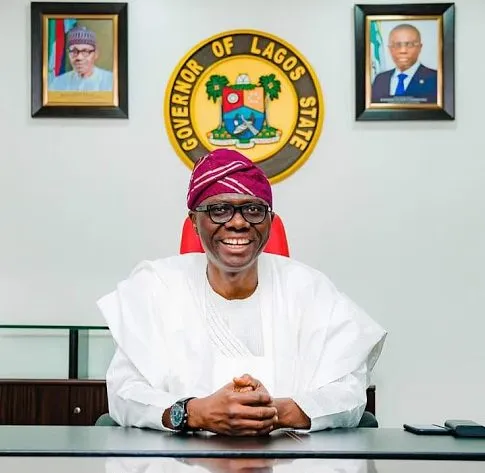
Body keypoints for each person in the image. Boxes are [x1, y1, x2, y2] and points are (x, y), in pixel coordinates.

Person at [97, 148, 387, 435]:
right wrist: (195, 413)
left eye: (253, 210)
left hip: (290, 456)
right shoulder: (155, 287)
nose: (238, 222)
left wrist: (276, 412)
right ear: (194, 221)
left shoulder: (310, 289)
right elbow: (124, 393)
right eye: (219, 210)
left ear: (270, 221)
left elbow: (349, 392)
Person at [371, 23, 437, 104]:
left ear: (420, 47)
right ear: (389, 48)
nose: (403, 51)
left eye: (409, 45)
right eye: (397, 45)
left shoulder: (435, 79)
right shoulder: (380, 79)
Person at [49, 26, 113, 92]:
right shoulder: (57, 83)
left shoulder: (111, 82)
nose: (79, 57)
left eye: (85, 51)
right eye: (74, 51)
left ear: (96, 54)